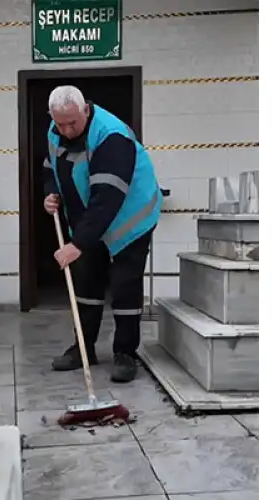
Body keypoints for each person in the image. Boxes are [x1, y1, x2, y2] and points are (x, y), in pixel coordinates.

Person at [42, 85, 163, 383]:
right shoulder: (55, 130)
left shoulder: (112, 136)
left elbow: (107, 197)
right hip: (90, 219)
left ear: (85, 110)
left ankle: (125, 353)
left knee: (124, 285)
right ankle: (83, 348)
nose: (67, 130)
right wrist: (51, 193)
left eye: (72, 123)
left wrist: (77, 244)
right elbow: (50, 168)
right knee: (85, 283)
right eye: (60, 123)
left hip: (129, 218)